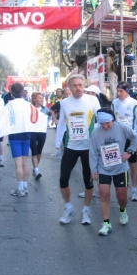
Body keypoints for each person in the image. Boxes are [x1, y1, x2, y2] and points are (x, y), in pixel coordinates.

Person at [55, 74, 100, 225]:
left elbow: (100, 121)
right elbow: (61, 124)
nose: (78, 88)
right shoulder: (65, 103)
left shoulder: (92, 100)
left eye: (81, 85)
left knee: (88, 181)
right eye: (75, 85)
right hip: (71, 146)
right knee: (63, 179)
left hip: (88, 147)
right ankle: (68, 207)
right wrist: (56, 145)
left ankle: (86, 211)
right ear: (69, 87)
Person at [89, 108, 137, 235]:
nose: (105, 126)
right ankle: (106, 223)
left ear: (113, 120)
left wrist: (129, 152)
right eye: (102, 124)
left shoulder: (122, 127)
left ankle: (122, 210)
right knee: (104, 194)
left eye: (108, 123)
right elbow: (93, 152)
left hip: (120, 168)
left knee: (121, 197)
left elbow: (135, 137)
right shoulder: (95, 132)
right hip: (103, 168)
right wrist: (93, 169)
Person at [0, 82, 39, 196]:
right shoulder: (28, 104)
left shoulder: (9, 105)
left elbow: (1, 122)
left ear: (11, 92)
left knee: (18, 163)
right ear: (22, 92)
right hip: (27, 134)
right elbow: (36, 117)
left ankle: (20, 189)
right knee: (25, 161)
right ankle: (25, 186)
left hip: (14, 135)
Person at [111, 81, 137, 201]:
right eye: (118, 91)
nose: (119, 93)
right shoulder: (114, 103)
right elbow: (112, 118)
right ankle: (119, 188)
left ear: (127, 91)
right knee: (116, 163)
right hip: (117, 138)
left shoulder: (134, 103)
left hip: (130, 138)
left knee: (133, 165)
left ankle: (134, 189)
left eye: (121, 91)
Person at [30, 92, 49, 180]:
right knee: (34, 151)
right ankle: (37, 170)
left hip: (42, 132)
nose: (41, 99)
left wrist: (45, 123)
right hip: (32, 131)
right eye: (39, 98)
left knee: (39, 151)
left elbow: (49, 118)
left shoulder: (45, 109)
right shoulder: (30, 109)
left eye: (42, 98)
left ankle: (35, 167)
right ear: (34, 99)